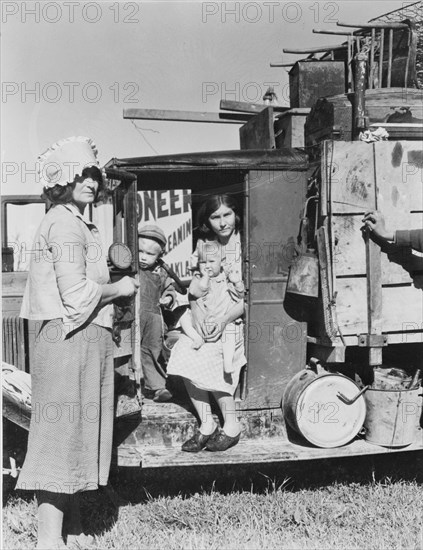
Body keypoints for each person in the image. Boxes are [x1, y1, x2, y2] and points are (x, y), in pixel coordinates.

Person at [16, 136, 139, 550]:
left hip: (83, 337)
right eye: (81, 174)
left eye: (93, 174)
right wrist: (121, 288)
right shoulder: (64, 223)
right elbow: (77, 295)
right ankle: (48, 539)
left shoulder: (78, 222)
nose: (90, 181)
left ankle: (76, 526)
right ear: (63, 180)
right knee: (59, 437)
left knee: (77, 434)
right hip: (68, 338)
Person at [167, 194, 246, 453]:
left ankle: (232, 426)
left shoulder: (246, 244)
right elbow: (194, 292)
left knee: (214, 357)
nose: (223, 223)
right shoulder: (204, 245)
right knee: (184, 350)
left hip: (233, 318)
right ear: (207, 220)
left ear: (236, 213)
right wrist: (199, 320)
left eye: (227, 214)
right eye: (215, 217)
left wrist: (222, 322)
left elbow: (247, 300)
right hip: (205, 315)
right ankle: (207, 423)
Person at [183, 240, 244, 374]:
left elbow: (240, 296)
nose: (207, 266)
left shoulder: (226, 278)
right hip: (203, 319)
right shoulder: (198, 277)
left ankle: (228, 362)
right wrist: (204, 278)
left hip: (222, 318)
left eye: (211, 261)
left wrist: (238, 282)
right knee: (184, 319)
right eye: (203, 262)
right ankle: (196, 338)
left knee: (231, 330)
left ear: (222, 262)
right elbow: (195, 292)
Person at [138, 224, 177, 402]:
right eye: (140, 251)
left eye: (150, 254)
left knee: (153, 349)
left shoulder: (161, 272)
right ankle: (126, 386)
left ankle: (158, 387)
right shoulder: (129, 268)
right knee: (126, 350)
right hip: (131, 315)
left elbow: (170, 289)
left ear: (160, 255)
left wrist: (168, 298)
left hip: (153, 316)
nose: (143, 257)